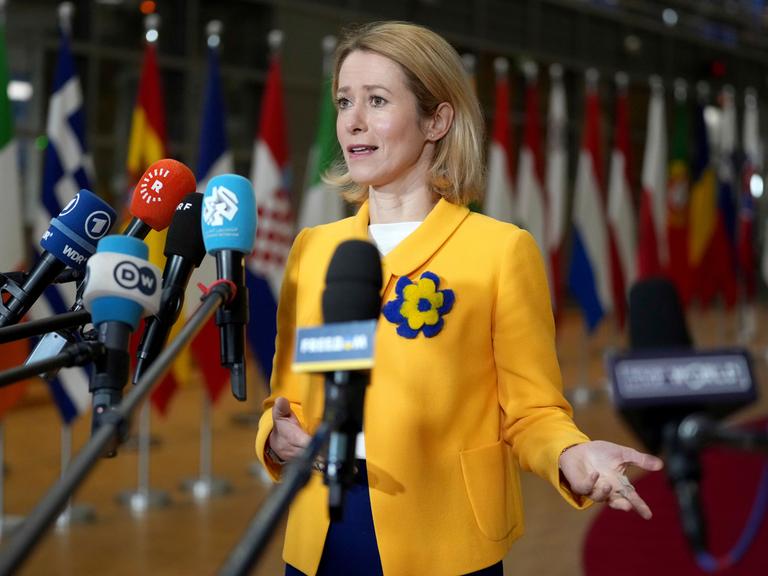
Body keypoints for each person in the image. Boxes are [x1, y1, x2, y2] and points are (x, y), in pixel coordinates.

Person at [255, 20, 663, 576]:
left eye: (377, 100)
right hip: (319, 536)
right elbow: (287, 400)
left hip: (446, 541)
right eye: (344, 100)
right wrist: (276, 439)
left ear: (437, 120)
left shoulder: (500, 251)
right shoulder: (313, 249)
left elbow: (532, 411)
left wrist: (571, 453)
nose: (352, 121)